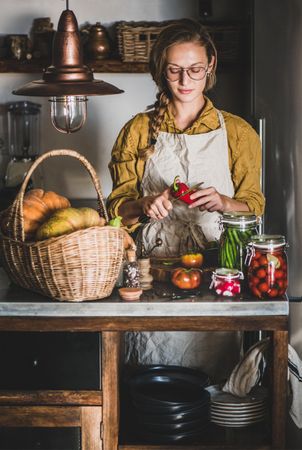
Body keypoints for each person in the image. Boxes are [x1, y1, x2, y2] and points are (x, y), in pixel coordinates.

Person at [107, 19, 265, 381]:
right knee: (150, 371)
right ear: (160, 72)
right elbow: (115, 209)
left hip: (215, 273)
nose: (185, 81)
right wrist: (144, 204)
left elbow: (254, 205)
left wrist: (225, 202)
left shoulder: (237, 132)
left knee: (212, 374)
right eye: (174, 71)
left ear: (211, 65)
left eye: (195, 70)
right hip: (152, 275)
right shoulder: (138, 130)